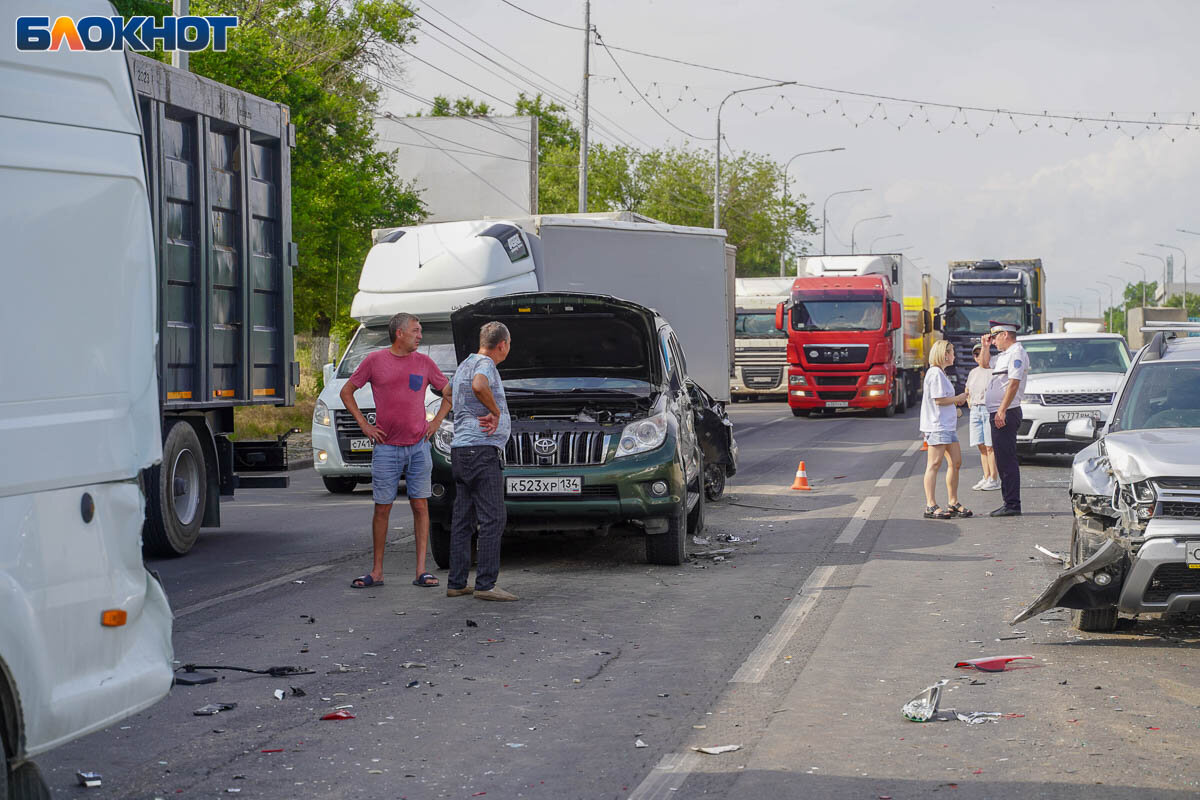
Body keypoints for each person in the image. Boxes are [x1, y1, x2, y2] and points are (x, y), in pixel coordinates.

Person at [342, 313, 451, 589]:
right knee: (382, 508)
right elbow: (346, 391)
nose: (420, 335)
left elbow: (449, 393)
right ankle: (377, 572)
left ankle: (421, 571)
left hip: (418, 447)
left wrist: (437, 421)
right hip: (386, 448)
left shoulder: (424, 363)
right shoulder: (375, 361)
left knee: (420, 505)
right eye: (416, 331)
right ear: (399, 333)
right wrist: (364, 424)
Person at [446, 321, 517, 602]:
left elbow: (447, 393)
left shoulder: (466, 363)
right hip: (481, 450)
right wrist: (495, 410)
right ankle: (486, 584)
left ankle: (457, 582)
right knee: (493, 518)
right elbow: (478, 386)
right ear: (503, 344)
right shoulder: (486, 365)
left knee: (463, 519)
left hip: (461, 449)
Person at [920, 340, 970, 519]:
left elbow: (943, 401)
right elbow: (939, 400)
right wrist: (958, 398)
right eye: (952, 352)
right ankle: (930, 505)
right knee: (934, 464)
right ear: (945, 354)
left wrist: (955, 407)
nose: (955, 355)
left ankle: (953, 501)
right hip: (937, 425)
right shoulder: (935, 373)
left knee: (955, 462)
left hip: (947, 425)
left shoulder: (941, 373)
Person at [984, 321, 1029, 517]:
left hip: (1006, 412)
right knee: (1002, 460)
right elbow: (984, 364)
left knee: (1007, 460)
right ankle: (1009, 502)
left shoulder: (1016, 353)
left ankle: (1012, 504)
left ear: (1005, 335)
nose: (993, 341)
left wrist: (1001, 411)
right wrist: (985, 347)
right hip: (999, 411)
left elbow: (1013, 383)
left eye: (994, 338)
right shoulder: (1004, 355)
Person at [965, 342, 1000, 492]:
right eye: (976, 354)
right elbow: (967, 388)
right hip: (975, 410)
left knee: (990, 446)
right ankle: (986, 476)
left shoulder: (993, 370)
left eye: (982, 353)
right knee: (980, 445)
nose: (979, 356)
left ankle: (994, 478)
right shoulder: (973, 372)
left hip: (988, 409)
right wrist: (969, 402)